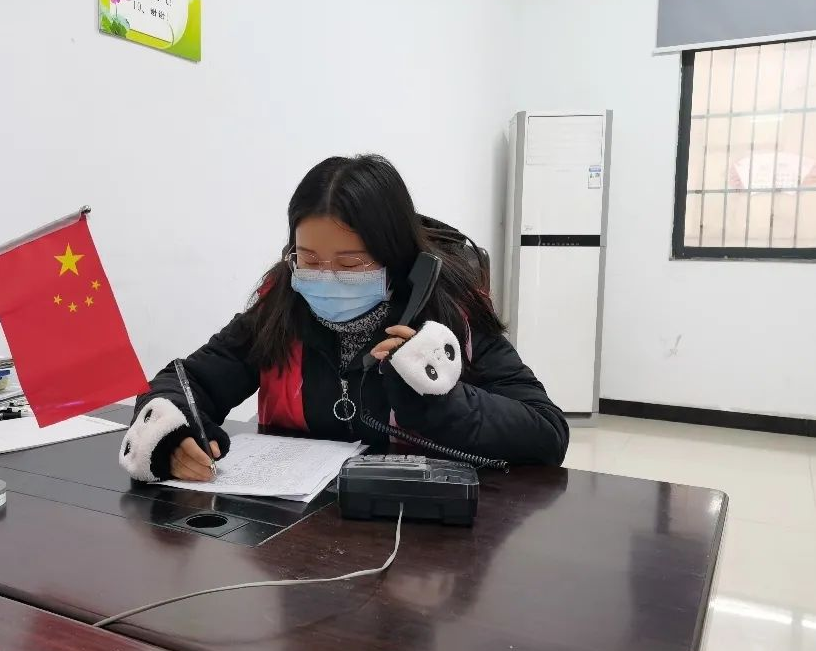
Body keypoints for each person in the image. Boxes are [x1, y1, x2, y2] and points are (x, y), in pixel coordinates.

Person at [119, 155, 568, 482]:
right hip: (292, 537)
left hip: (420, 542)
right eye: (308, 259)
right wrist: (172, 434)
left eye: (350, 264)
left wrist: (441, 402)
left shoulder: (450, 310)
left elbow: (547, 433)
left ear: (396, 258)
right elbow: (187, 380)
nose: (324, 277)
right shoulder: (280, 305)